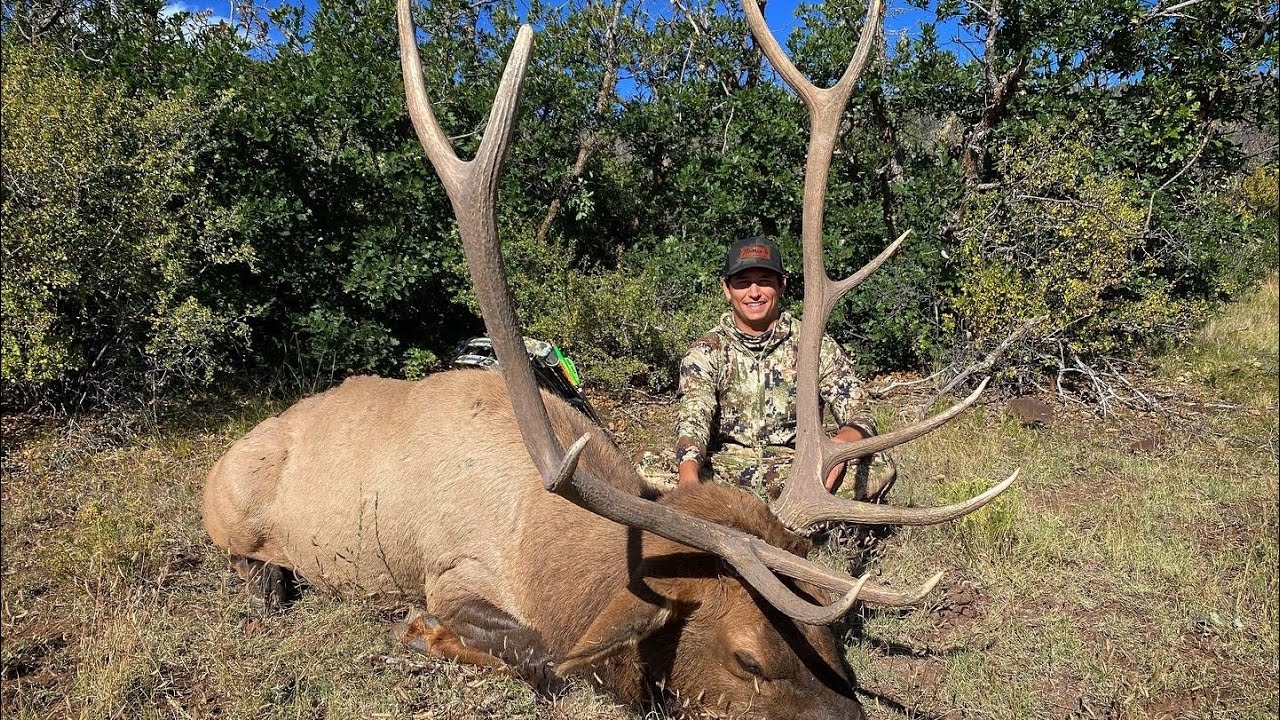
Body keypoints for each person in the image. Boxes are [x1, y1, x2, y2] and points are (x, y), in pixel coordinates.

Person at [674, 236, 895, 505]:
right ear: (727, 289)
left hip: (798, 470)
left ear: (782, 285)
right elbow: (693, 417)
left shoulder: (814, 344)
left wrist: (837, 450)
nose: (754, 293)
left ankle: (785, 518)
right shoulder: (707, 351)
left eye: (764, 281)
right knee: (650, 464)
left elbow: (861, 415)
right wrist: (688, 482)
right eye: (743, 283)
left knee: (878, 465)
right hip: (724, 472)